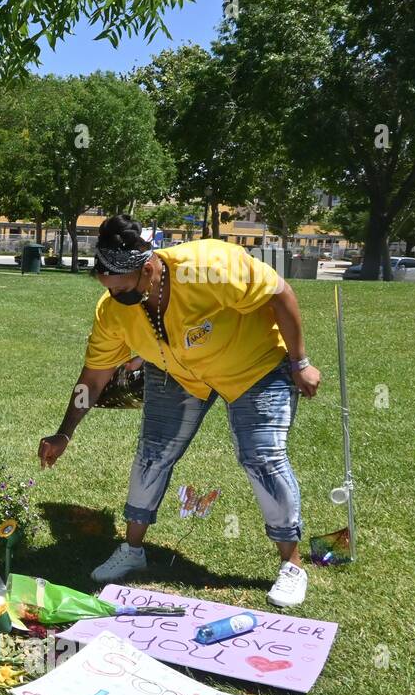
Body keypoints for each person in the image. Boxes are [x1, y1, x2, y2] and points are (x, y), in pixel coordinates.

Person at [37, 215, 322, 607]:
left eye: (123, 289)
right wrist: (64, 432)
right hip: (179, 374)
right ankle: (133, 550)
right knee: (152, 454)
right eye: (109, 290)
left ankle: (291, 564)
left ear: (149, 267)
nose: (117, 298)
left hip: (255, 367)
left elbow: (280, 292)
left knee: (262, 456)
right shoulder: (112, 310)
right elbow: (94, 377)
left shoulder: (210, 266)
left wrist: (300, 362)